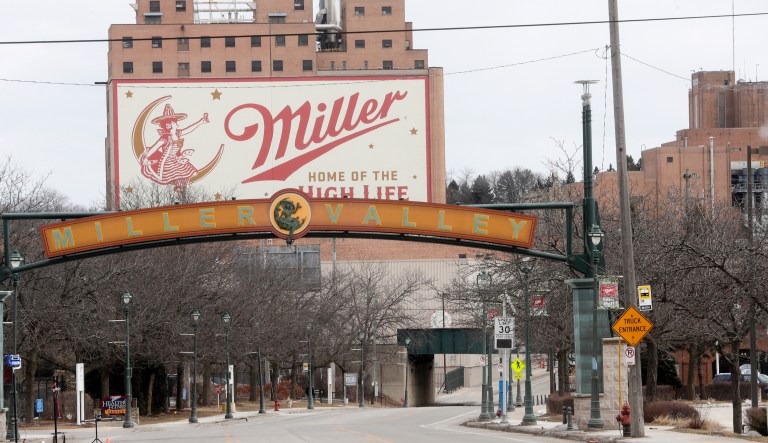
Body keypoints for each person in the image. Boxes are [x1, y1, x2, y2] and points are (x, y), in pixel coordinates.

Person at [140, 104, 209, 190]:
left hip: (176, 159)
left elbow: (189, 129)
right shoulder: (165, 138)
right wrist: (146, 157)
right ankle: (179, 188)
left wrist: (200, 122)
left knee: (186, 172)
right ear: (169, 125)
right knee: (178, 174)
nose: (177, 125)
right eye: (175, 123)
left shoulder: (177, 133)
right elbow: (155, 148)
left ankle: (182, 189)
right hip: (168, 161)